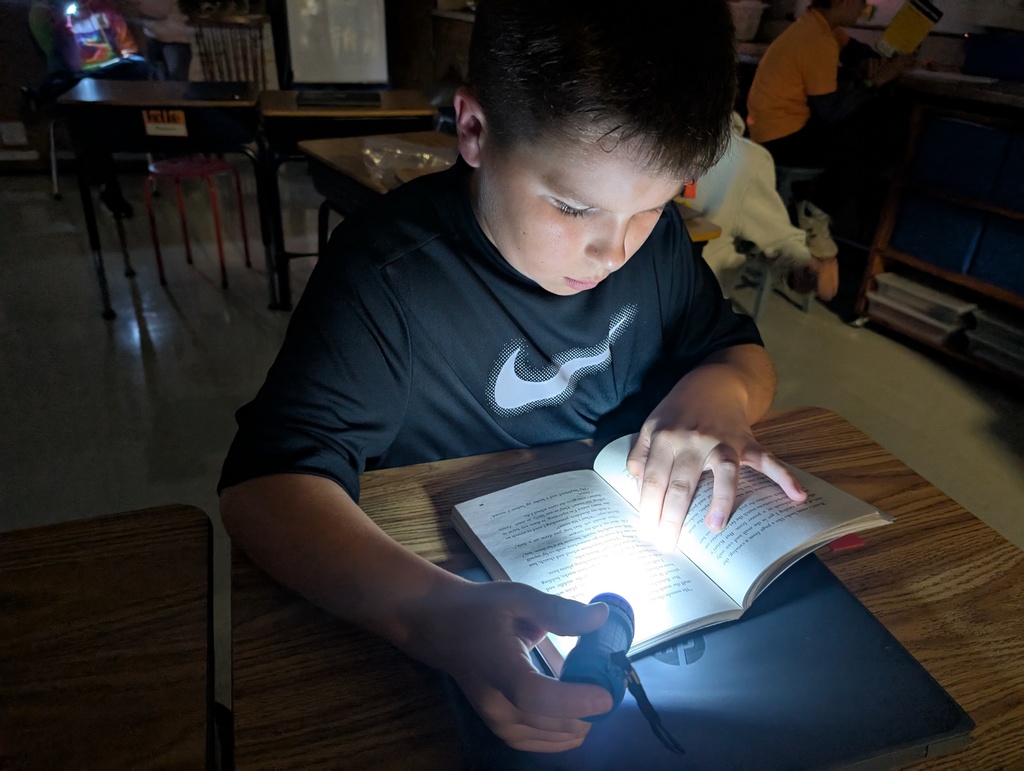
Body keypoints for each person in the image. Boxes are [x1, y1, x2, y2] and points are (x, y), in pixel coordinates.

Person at [218, 0, 806, 753]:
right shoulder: (389, 276)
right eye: (571, 206)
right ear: (474, 129)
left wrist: (720, 390)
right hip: (444, 599)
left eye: (653, 208)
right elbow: (263, 489)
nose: (611, 251)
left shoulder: (655, 251)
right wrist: (427, 611)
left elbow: (739, 349)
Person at [745, 0, 914, 257]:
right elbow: (831, 112)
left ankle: (814, 207)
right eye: (860, 3)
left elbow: (851, 47)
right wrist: (878, 79)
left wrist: (868, 59)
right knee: (876, 133)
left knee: (869, 122)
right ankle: (817, 210)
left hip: (768, 133)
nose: (863, 8)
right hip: (783, 142)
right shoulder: (818, 41)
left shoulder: (815, 27)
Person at [692, 112, 839, 302]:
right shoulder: (646, 136)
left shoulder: (745, 161)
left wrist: (805, 269)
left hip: (689, 301)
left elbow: (779, 238)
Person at [27, 0, 153, 217]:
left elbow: (130, 51)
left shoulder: (104, 8)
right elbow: (71, 63)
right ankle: (109, 189)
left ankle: (43, 91)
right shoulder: (42, 14)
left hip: (109, 79)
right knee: (86, 109)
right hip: (74, 84)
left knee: (139, 65)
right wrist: (64, 27)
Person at [133, 0, 192, 81]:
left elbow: (160, 11)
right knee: (157, 80)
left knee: (177, 81)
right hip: (152, 38)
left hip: (174, 40)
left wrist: (133, 7)